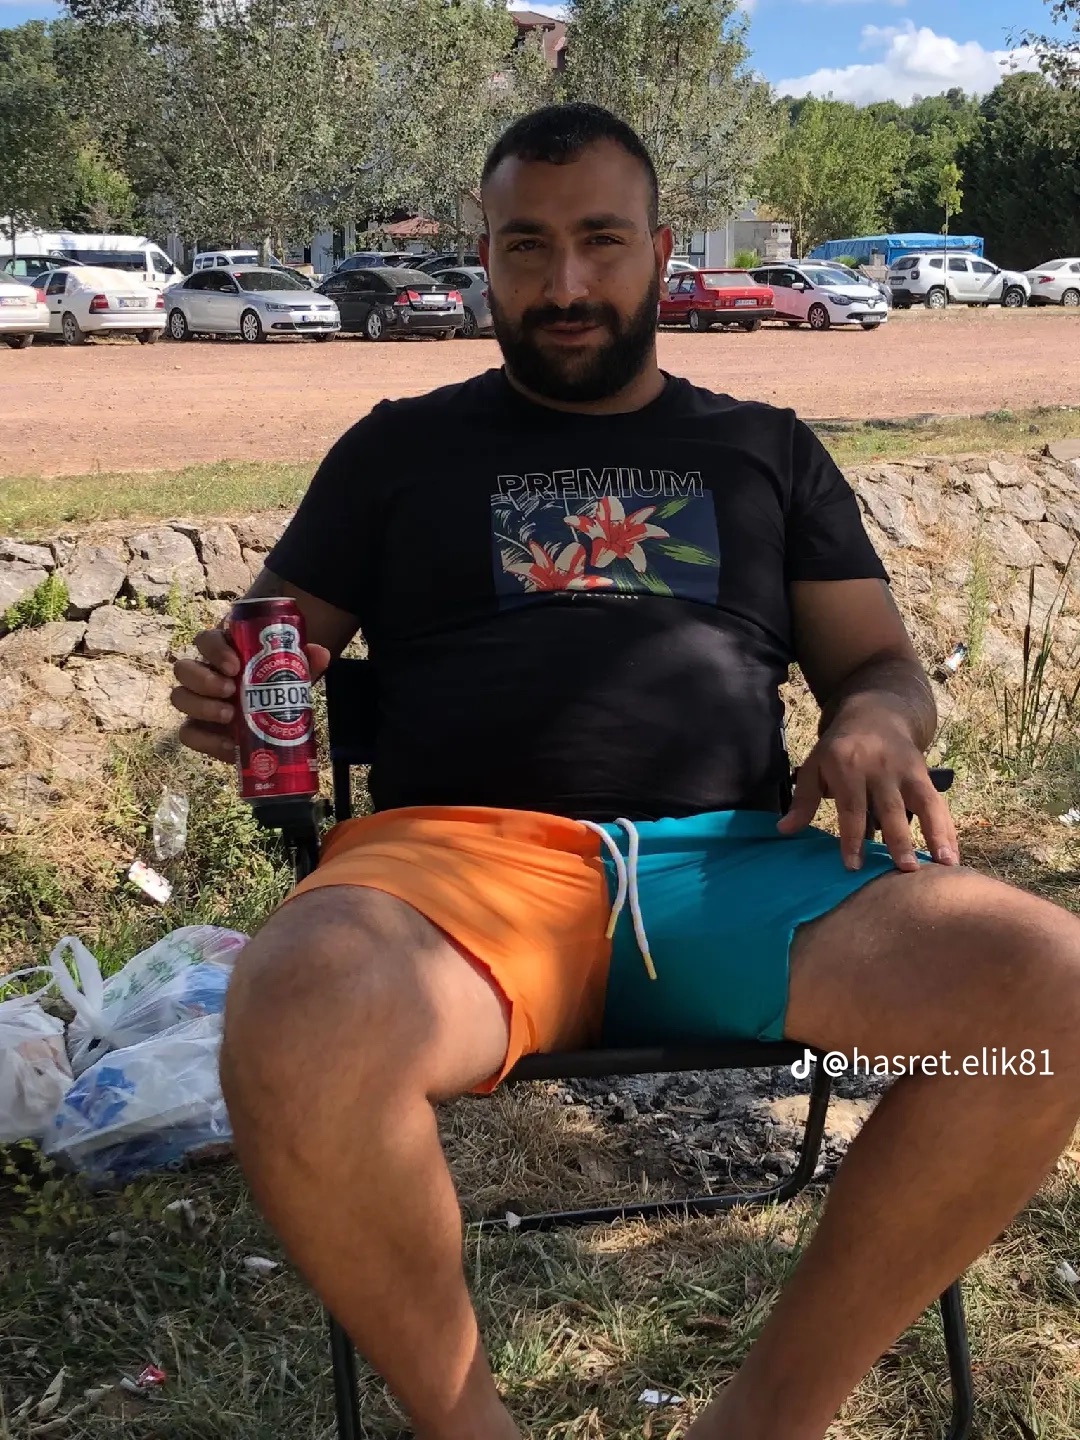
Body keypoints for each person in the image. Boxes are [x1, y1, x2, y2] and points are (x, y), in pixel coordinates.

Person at [171, 103, 1080, 1440]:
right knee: (297, 1001)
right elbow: (271, 648)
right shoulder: (394, 450)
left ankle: (765, 1422)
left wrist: (880, 722)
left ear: (660, 252)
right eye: (526, 246)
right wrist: (233, 692)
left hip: (736, 874)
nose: (566, 282)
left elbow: (882, 666)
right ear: (485, 259)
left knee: (1048, 992)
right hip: (452, 885)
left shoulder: (766, 448)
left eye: (600, 240)